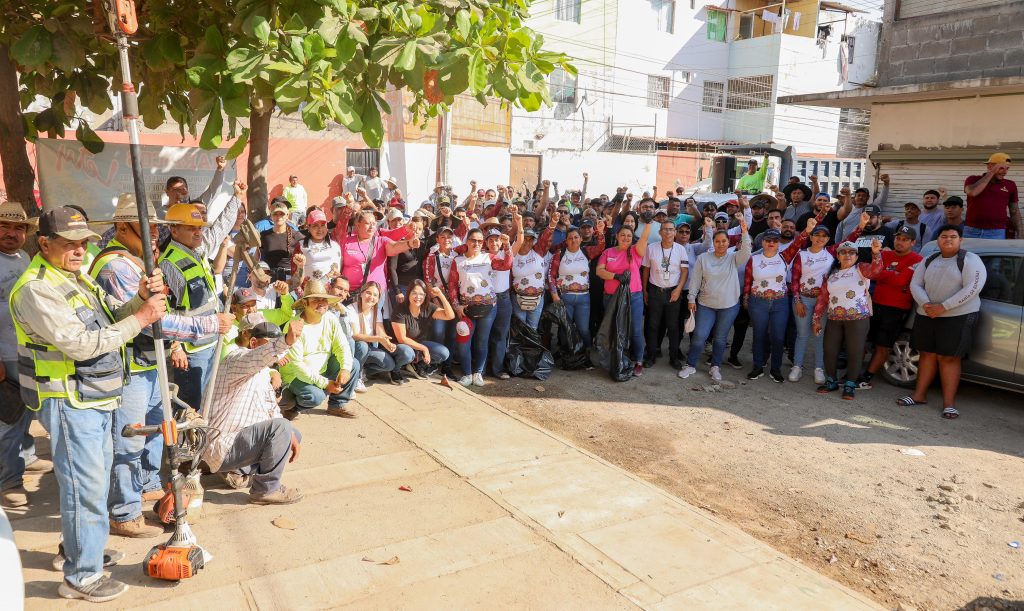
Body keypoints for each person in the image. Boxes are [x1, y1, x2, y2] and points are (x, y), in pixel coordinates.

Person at [10, 206, 166, 602]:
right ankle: (81, 576)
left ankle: (81, 550)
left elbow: (111, 318)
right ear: (44, 243)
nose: (79, 251)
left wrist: (139, 301)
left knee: (89, 486)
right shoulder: (36, 288)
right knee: (86, 489)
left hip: (93, 397)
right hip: (68, 400)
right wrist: (143, 317)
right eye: (69, 244)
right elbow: (80, 345)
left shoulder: (75, 278)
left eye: (83, 244)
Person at [89, 195, 230, 538]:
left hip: (151, 364)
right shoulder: (115, 268)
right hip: (130, 368)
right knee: (129, 442)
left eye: (157, 226)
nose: (154, 232)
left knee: (157, 431)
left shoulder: (137, 261)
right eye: (147, 225)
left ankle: (148, 483)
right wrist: (207, 326)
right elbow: (154, 322)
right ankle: (122, 511)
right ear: (123, 226)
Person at [204, 313, 304, 504]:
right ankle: (264, 490)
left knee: (292, 433)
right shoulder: (238, 359)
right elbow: (260, 356)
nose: (276, 353)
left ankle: (238, 472)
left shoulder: (264, 373)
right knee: (281, 427)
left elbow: (270, 409)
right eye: (267, 344)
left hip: (239, 440)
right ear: (253, 343)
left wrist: (288, 433)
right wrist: (287, 340)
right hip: (222, 443)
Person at [899, 225, 987, 419]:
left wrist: (944, 306)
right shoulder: (930, 260)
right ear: (938, 239)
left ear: (960, 240)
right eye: (944, 236)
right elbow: (916, 283)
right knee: (927, 355)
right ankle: (919, 396)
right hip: (927, 314)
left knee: (949, 358)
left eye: (953, 237)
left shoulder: (970, 260)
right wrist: (927, 304)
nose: (948, 240)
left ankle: (949, 404)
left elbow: (973, 288)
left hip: (958, 317)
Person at [0, 202, 49, 509]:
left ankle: (27, 457)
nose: (11, 233)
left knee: (27, 412)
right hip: (4, 354)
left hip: (25, 351)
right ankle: (8, 481)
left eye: (19, 228)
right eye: (4, 226)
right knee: (9, 420)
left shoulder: (24, 257)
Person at [678, 216, 752, 381]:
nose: (721, 244)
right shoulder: (703, 258)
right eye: (717, 241)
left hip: (729, 306)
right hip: (706, 304)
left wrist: (745, 230)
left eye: (724, 241)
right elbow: (696, 280)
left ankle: (715, 367)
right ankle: (690, 365)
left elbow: (747, 250)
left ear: (728, 243)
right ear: (714, 242)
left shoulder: (734, 258)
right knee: (699, 336)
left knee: (720, 338)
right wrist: (691, 299)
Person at [812, 238, 883, 399]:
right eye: (843, 252)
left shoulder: (861, 269)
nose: (847, 255)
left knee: (855, 352)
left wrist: (876, 253)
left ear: (857, 256)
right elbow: (823, 299)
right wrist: (816, 320)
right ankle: (831, 381)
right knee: (830, 351)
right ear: (838, 256)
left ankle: (850, 384)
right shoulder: (831, 275)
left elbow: (876, 271)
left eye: (852, 252)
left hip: (858, 319)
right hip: (834, 319)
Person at [281, 279, 359, 418]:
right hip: (295, 376)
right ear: (305, 303)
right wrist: (325, 384)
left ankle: (337, 405)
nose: (322, 303)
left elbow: (342, 346)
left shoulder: (330, 318)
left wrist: (345, 368)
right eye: (316, 300)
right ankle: (292, 407)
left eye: (324, 299)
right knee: (315, 396)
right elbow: (298, 367)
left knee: (353, 365)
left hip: (321, 370)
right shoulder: (294, 326)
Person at [858, 225, 924, 389]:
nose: (900, 242)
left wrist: (885, 273)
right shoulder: (884, 254)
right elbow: (874, 273)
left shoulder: (917, 260)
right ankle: (852, 373)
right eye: (898, 238)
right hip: (875, 304)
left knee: (883, 345)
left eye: (904, 239)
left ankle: (867, 377)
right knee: (862, 341)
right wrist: (892, 273)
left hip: (896, 308)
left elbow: (901, 281)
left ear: (913, 242)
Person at [447, 227, 513, 386]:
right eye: (472, 240)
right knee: (463, 343)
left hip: (488, 308)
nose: (476, 243)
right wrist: (456, 305)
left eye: (479, 241)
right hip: (466, 310)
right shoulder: (458, 261)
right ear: (467, 241)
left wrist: (507, 245)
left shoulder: (488, 257)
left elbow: (506, 265)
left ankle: (478, 373)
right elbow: (452, 285)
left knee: (482, 342)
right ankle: (467, 373)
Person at [743, 223, 808, 382]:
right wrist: (746, 298)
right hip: (758, 302)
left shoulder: (785, 256)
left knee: (778, 337)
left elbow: (799, 241)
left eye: (775, 240)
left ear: (779, 242)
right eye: (768, 240)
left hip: (780, 303)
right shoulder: (754, 258)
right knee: (759, 335)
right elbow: (747, 280)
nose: (771, 243)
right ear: (762, 242)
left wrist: (809, 229)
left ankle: (775, 368)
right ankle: (758, 366)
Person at [596, 221, 654, 377]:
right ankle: (616, 358)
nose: (626, 238)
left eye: (629, 236)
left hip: (633, 296)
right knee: (614, 329)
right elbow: (599, 271)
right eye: (623, 235)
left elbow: (644, 240)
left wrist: (648, 224)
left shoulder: (635, 251)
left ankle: (639, 362)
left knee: (635, 329)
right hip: (611, 297)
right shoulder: (608, 252)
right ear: (617, 236)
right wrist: (615, 276)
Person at [788, 224, 834, 384]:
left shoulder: (831, 252)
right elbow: (794, 279)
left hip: (823, 302)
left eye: (824, 235)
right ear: (811, 237)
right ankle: (797, 366)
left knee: (819, 335)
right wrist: (798, 301)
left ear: (828, 239)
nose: (820, 238)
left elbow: (851, 239)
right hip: (803, 299)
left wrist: (861, 225)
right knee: (802, 334)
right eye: (817, 234)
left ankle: (819, 368)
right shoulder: (802, 255)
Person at [549, 221, 606, 349]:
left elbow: (601, 246)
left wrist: (600, 232)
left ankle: (586, 354)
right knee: (565, 329)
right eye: (570, 238)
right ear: (566, 241)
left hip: (583, 298)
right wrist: (554, 294)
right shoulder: (560, 254)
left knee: (583, 329)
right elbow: (551, 275)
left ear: (581, 239)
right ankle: (565, 354)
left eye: (576, 237)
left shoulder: (587, 251)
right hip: (565, 298)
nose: (573, 240)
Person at [347, 281, 414, 385]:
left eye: (375, 295)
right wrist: (378, 339)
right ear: (361, 294)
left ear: (378, 299)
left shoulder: (376, 311)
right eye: (368, 293)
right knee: (362, 345)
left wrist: (387, 342)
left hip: (369, 347)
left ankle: (363, 371)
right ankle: (356, 378)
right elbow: (355, 335)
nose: (371, 297)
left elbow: (380, 330)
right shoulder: (351, 308)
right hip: (355, 348)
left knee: (389, 365)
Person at [642, 221, 688, 369]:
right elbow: (646, 270)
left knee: (673, 327)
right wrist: (645, 290)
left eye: (671, 230)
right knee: (652, 325)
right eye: (665, 230)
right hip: (655, 291)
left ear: (675, 232)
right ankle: (651, 355)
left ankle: (673, 358)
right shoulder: (651, 248)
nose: (668, 232)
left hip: (673, 292)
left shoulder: (680, 249)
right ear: (660, 232)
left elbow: (685, 271)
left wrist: (678, 290)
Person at [391, 279, 456, 378]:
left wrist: (440, 295)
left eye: (421, 294)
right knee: (407, 353)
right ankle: (395, 370)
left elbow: (450, 316)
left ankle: (417, 365)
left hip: (418, 344)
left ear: (425, 296)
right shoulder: (400, 309)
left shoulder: (428, 307)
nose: (418, 297)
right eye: (414, 293)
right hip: (400, 345)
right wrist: (424, 349)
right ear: (408, 294)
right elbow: (402, 339)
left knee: (443, 353)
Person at [511, 213, 555, 328]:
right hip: (517, 298)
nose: (527, 242)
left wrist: (553, 223)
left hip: (538, 299)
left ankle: (531, 347)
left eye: (531, 239)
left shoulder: (538, 251)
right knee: (520, 330)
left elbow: (545, 237)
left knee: (533, 329)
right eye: (525, 239)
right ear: (519, 239)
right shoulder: (512, 254)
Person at [964, 152, 1020, 239]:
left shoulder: (1010, 185)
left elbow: (1014, 211)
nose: (1005, 172)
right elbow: (972, 192)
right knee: (969, 253)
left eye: (1007, 168)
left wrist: (1021, 232)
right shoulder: (973, 179)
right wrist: (992, 171)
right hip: (971, 230)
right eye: (1001, 168)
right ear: (990, 166)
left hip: (997, 232)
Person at [291, 208, 340, 282]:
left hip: (332, 292)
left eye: (323, 225)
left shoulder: (335, 245)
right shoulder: (301, 246)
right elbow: (294, 273)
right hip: (309, 291)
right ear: (309, 228)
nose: (320, 229)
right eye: (315, 226)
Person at [259, 199, 303, 282]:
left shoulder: (296, 235)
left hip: (289, 280)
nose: (278, 217)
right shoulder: (263, 235)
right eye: (275, 214)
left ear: (287, 215)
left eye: (282, 214)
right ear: (271, 216)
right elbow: (256, 257)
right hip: (269, 279)